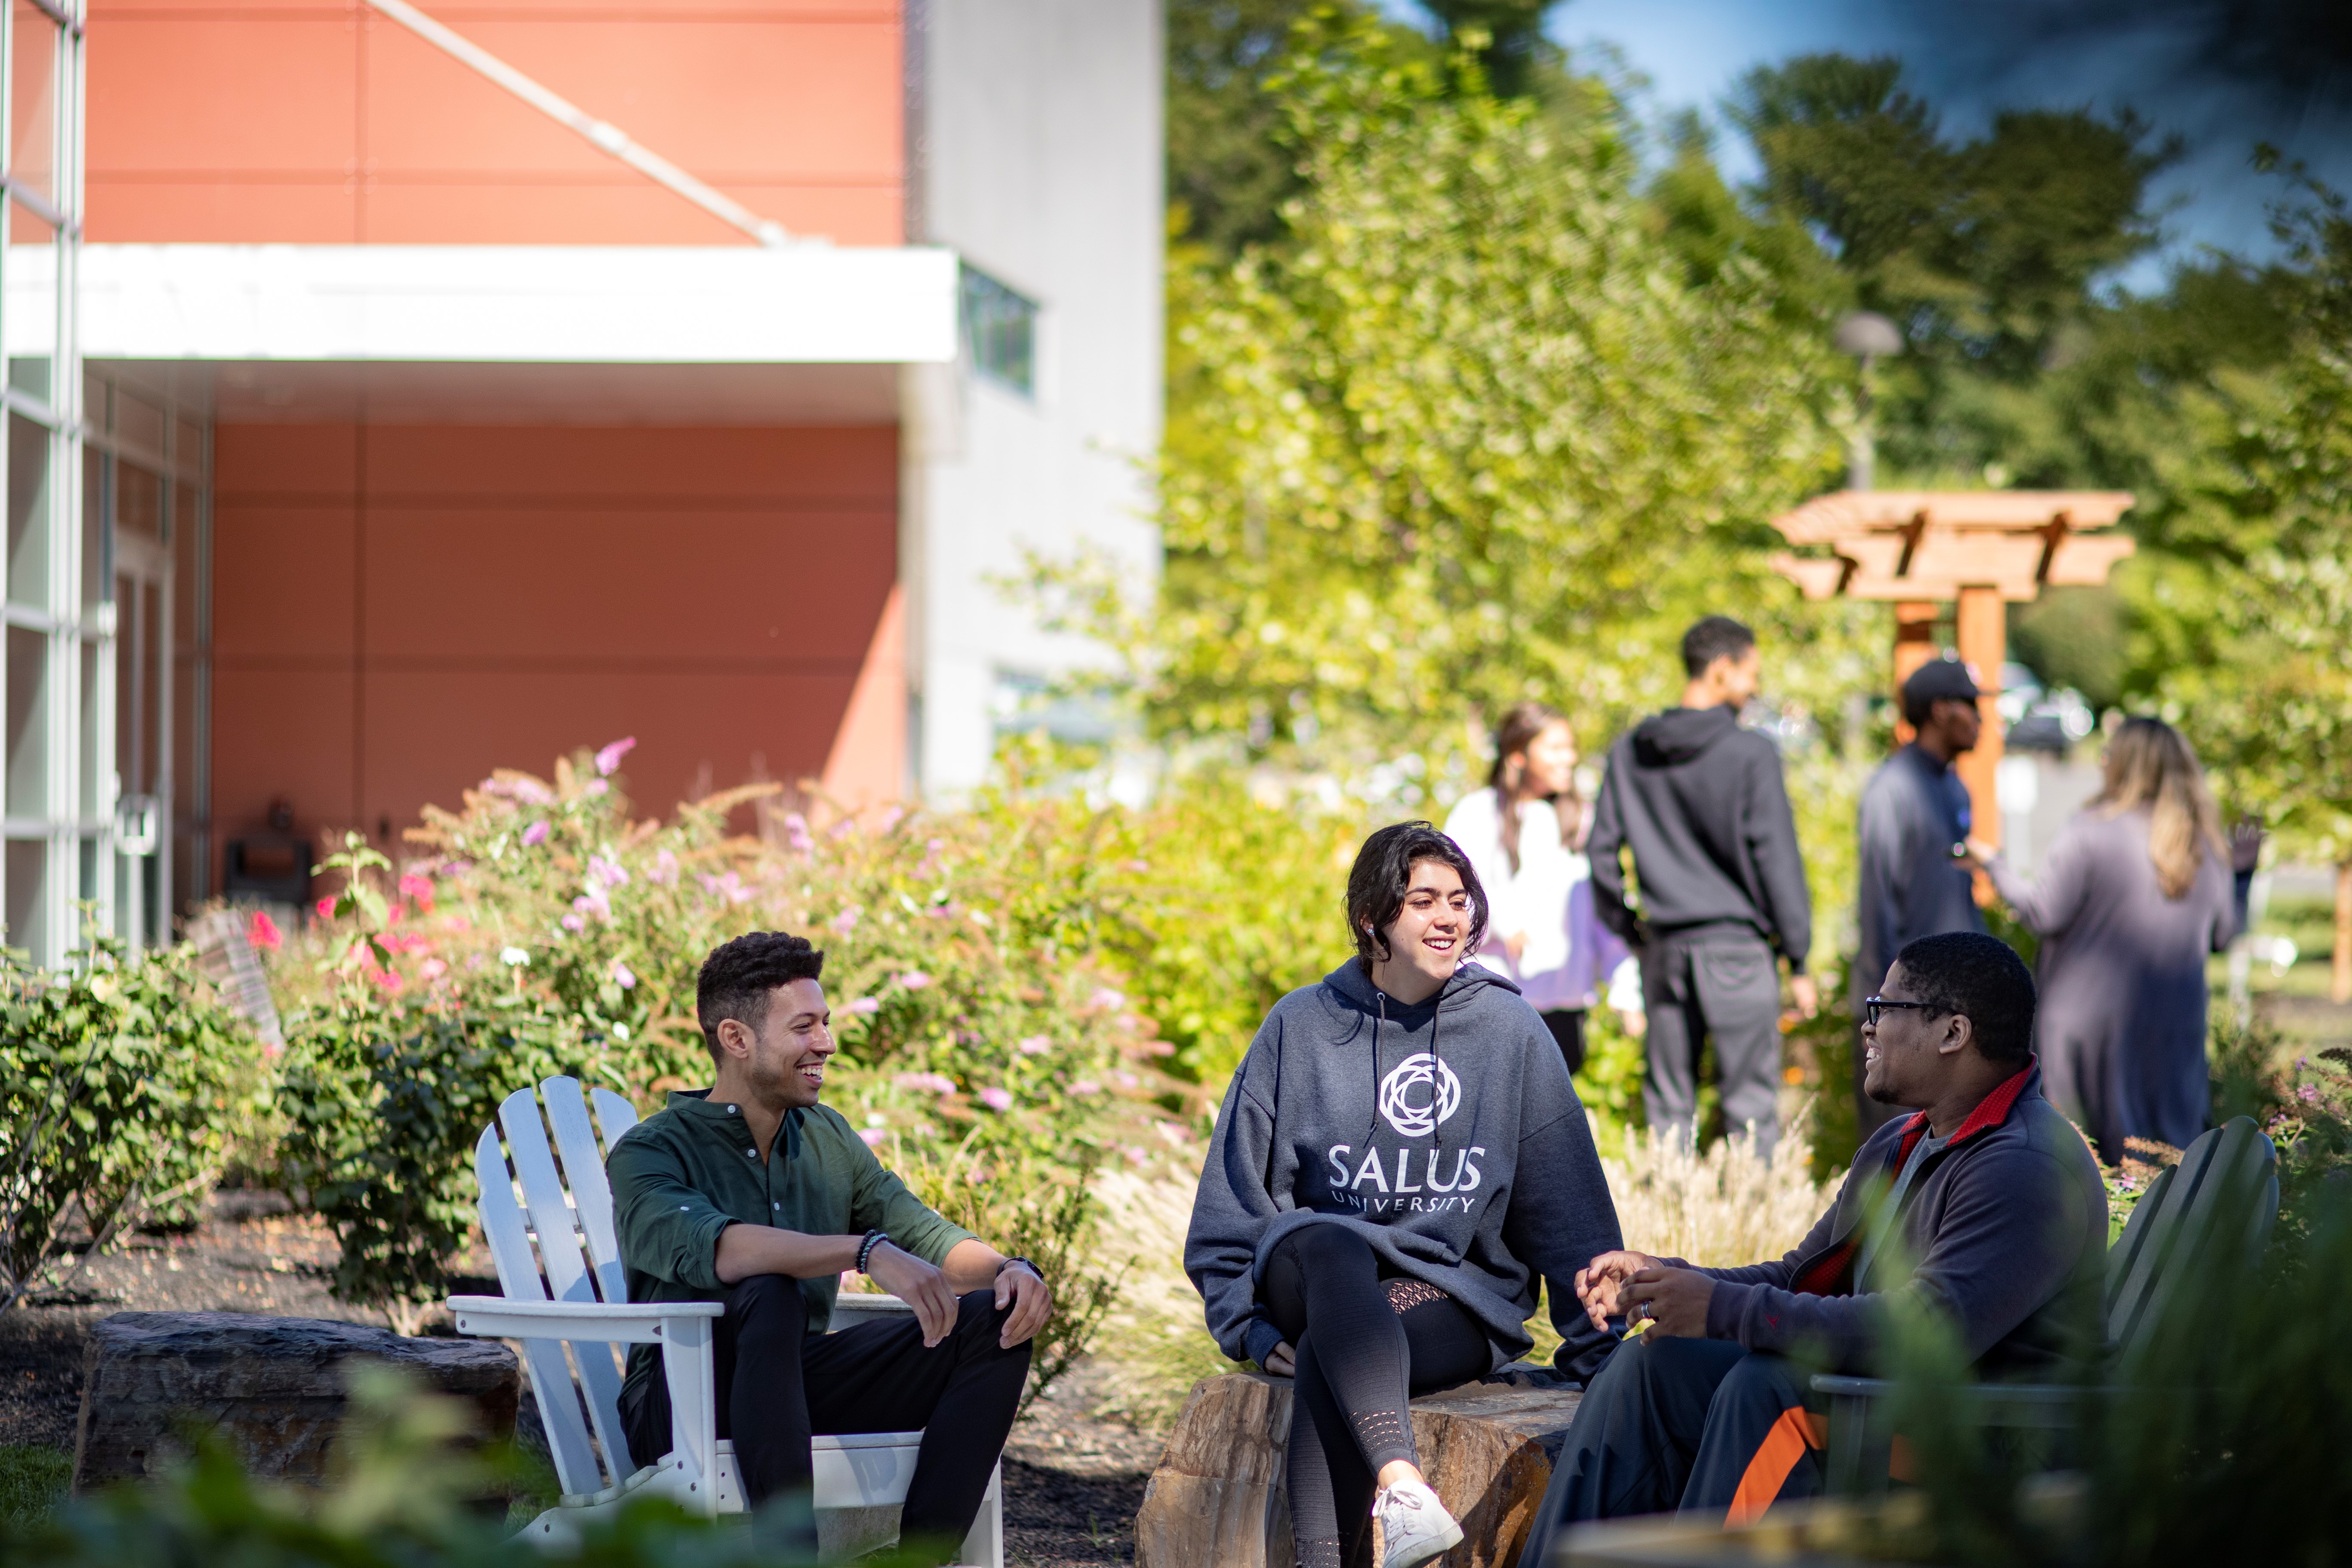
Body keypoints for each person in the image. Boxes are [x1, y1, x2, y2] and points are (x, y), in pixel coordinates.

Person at [1516, 932, 2107, 1561]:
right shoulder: (1904, 1142)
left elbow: (1931, 1334)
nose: (1867, 1028)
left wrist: (1721, 1309)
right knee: (1655, 1365)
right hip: (1888, 1406)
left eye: (1884, 1008)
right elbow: (1802, 1276)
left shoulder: (2025, 1165)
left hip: (1986, 1437)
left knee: (1769, 1394)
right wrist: (1676, 1283)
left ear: (1953, 1033)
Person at [1186, 822, 1623, 1568]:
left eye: (1458, 899)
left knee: (1339, 1343)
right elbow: (1228, 1211)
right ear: (1371, 917)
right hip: (1313, 1270)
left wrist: (1595, 1350)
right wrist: (1251, 1331)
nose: (1448, 917)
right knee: (1328, 1242)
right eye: (1423, 900)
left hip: (1444, 1302)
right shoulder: (1301, 1025)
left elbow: (1566, 1204)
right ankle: (1402, 1482)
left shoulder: (1509, 1031)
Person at [607, 931, 1054, 1563]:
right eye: (804, 1027)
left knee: (996, 1320)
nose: (827, 1043)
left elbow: (922, 1232)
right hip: (681, 1403)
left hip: (789, 1387)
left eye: (827, 1023)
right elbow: (727, 1252)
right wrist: (864, 1252)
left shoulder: (826, 1137)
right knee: (768, 1288)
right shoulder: (652, 1151)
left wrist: (1012, 1271)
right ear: (736, 1039)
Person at [1966, 717, 2260, 1163]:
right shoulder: (2203, 843)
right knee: (2160, 1166)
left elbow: (2044, 913)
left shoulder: (2089, 830)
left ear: (2123, 765)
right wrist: (2243, 877)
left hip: (2085, 1026)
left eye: (2108, 754)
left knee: (2074, 1161)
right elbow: (2224, 935)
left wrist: (1994, 865)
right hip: (2171, 1027)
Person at [1587, 616, 1816, 1155]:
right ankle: (1752, 1230)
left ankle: (1666, 1225)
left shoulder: (1630, 751)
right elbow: (1776, 862)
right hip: (1738, 949)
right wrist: (1799, 958)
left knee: (1668, 1108)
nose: (1755, 687)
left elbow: (1600, 856)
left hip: (1665, 949)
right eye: (1749, 673)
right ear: (1721, 670)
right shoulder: (1751, 754)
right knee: (1752, 1107)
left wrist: (1636, 932)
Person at [1444, 701, 1642, 1078]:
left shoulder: (1581, 821)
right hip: (1493, 998)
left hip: (1564, 1005)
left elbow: (1603, 906)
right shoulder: (1475, 815)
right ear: (1518, 755)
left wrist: (1625, 985)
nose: (1569, 758)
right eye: (1555, 748)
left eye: (1570, 748)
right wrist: (1501, 925)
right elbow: (1452, 897)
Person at [1853, 658, 1987, 1134]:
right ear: (1939, 711)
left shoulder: (1954, 787)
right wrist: (1889, 1013)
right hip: (1907, 1015)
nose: (1981, 719)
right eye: (1971, 705)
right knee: (1895, 1163)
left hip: (1951, 1012)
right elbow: (1876, 906)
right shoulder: (1892, 789)